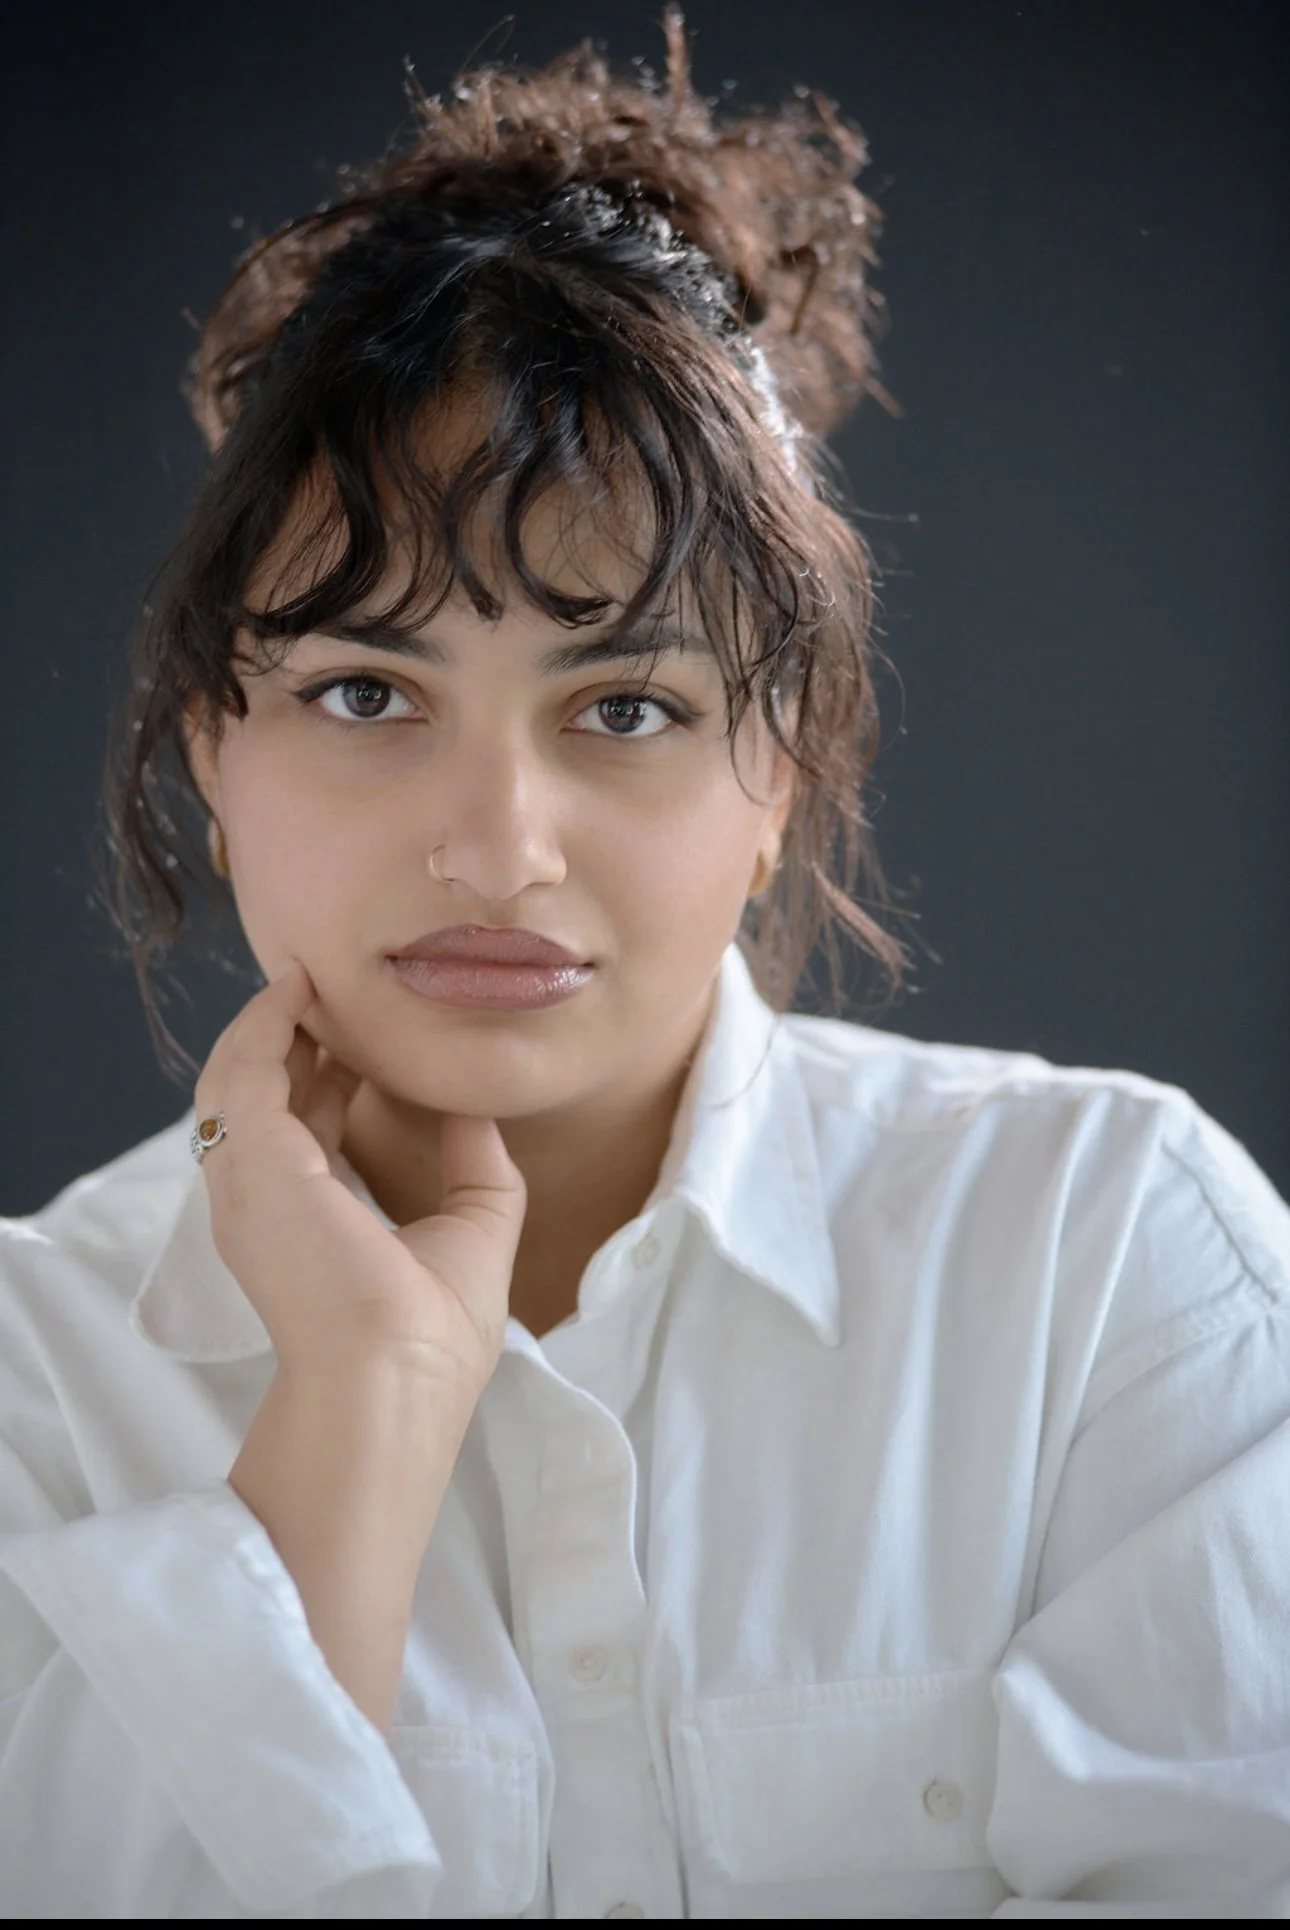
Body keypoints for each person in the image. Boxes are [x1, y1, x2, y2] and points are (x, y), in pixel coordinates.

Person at [1, 11, 1288, 1919]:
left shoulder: (1105, 1262)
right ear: (212, 745)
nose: (497, 844)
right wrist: (353, 1408)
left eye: (623, 704)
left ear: (780, 768)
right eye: (367, 689)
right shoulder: (37, 1380)